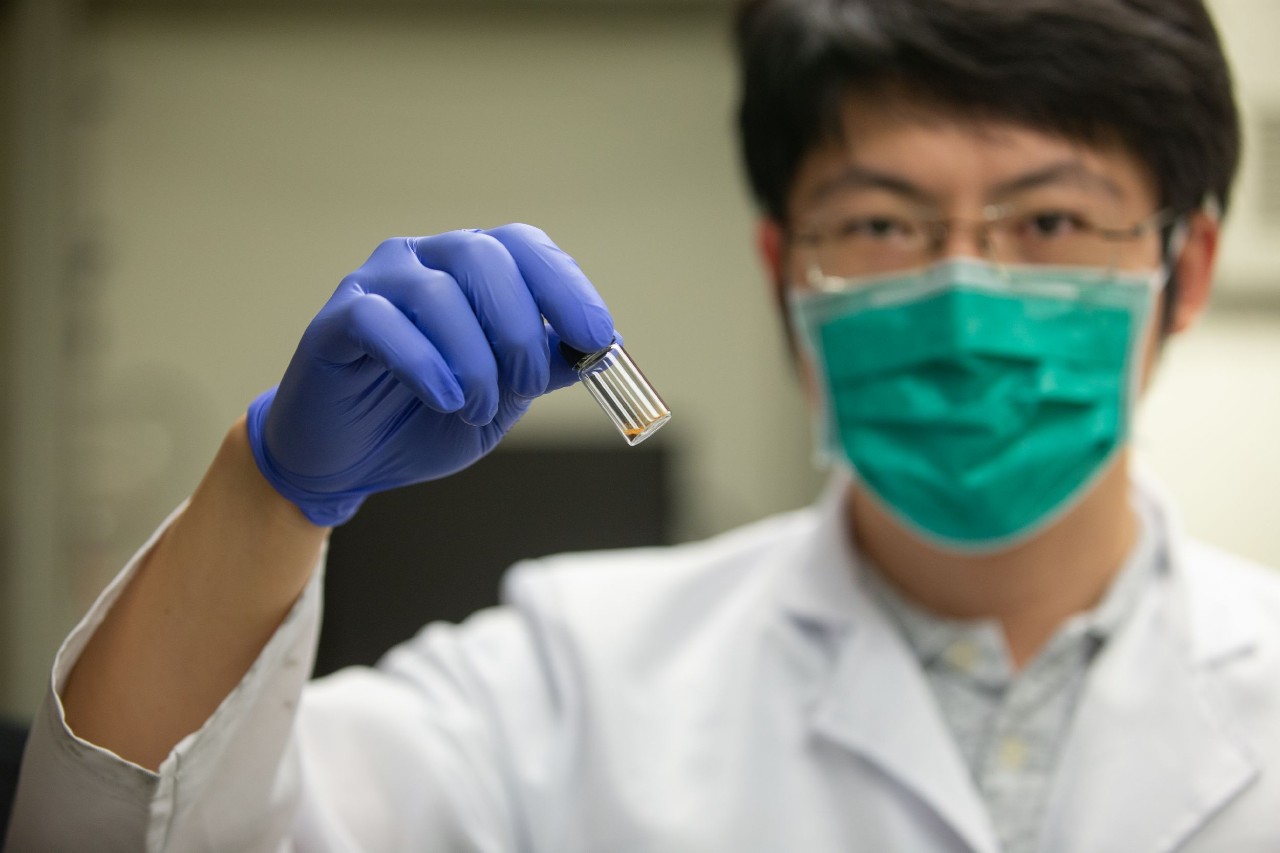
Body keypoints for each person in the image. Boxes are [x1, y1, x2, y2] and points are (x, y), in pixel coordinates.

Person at [8, 0, 1280, 850]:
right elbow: (135, 833)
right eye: (883, 224)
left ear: (1181, 267)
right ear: (786, 271)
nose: (956, 291)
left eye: (1048, 221)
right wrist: (268, 487)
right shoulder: (564, 682)